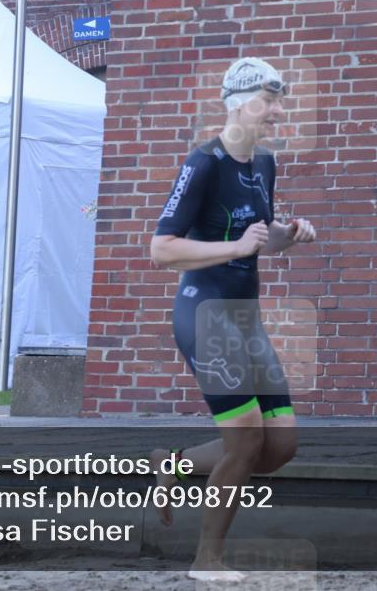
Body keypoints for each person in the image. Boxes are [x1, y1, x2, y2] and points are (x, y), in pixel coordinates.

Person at [148, 57, 316, 582]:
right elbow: (161, 250)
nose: (277, 112)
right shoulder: (203, 163)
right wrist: (235, 246)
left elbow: (260, 236)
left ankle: (171, 465)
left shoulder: (263, 164)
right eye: (269, 101)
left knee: (280, 446)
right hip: (205, 313)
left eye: (278, 101)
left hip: (245, 317)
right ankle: (207, 560)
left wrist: (290, 233)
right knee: (244, 445)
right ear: (239, 103)